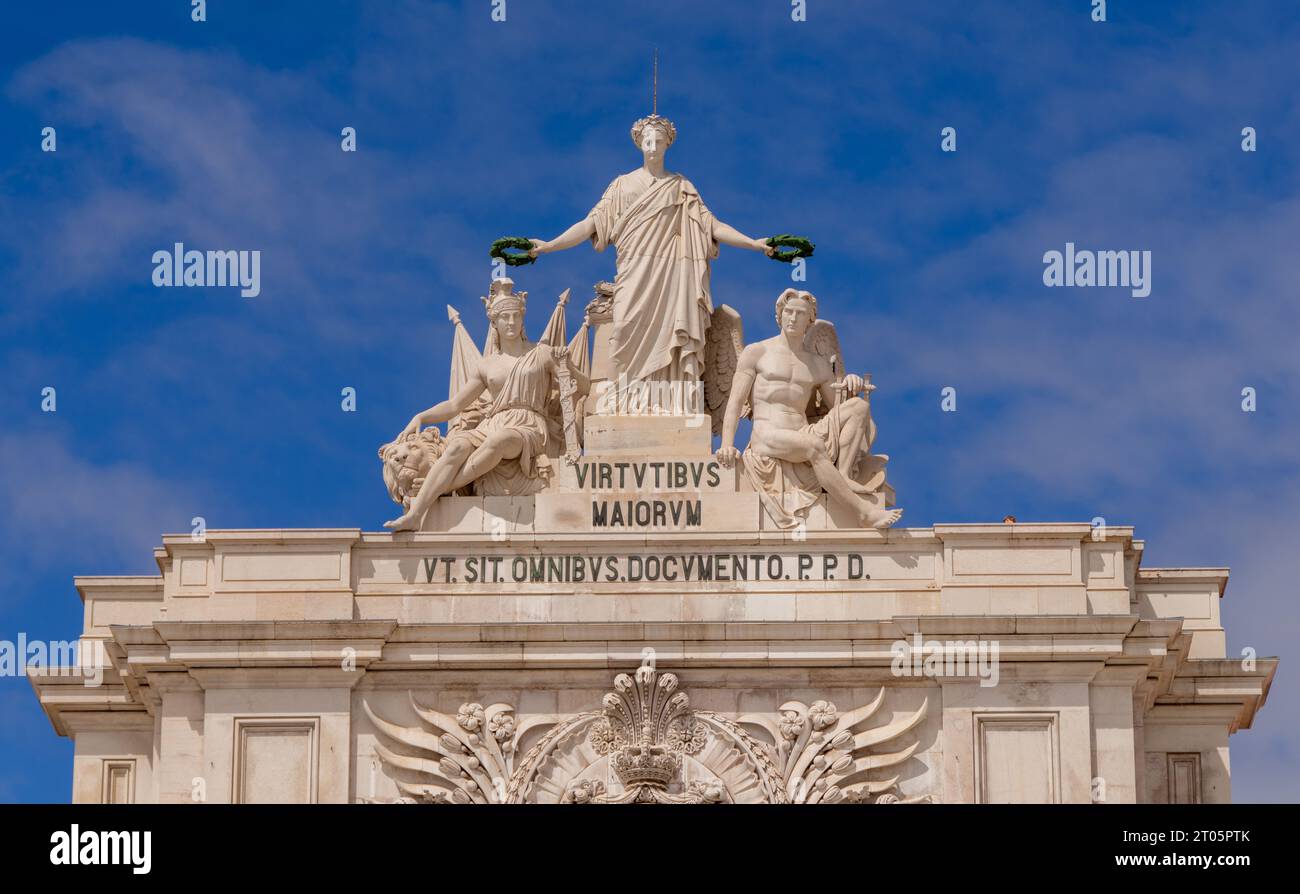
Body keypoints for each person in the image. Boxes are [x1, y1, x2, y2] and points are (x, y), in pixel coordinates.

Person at [527, 114, 772, 413]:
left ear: (668, 144)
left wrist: (754, 244)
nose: (652, 147)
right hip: (633, 273)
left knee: (673, 334)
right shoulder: (622, 186)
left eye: (658, 141)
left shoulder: (681, 187)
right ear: (639, 144)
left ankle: (673, 405)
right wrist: (550, 245)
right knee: (623, 331)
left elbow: (713, 226)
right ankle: (625, 404)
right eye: (647, 141)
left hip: (673, 275)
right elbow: (590, 224)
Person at [384, 286, 589, 532]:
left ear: (523, 318)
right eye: (505, 317)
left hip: (528, 425)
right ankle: (416, 514)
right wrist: (422, 417)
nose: (511, 322)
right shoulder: (486, 365)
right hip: (493, 422)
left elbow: (584, 386)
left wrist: (567, 364)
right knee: (458, 445)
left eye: (516, 316)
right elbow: (456, 405)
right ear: (494, 322)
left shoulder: (542, 353)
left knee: (500, 440)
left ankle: (442, 486)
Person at [716, 289, 903, 530]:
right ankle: (863, 512)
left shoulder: (817, 364)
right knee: (813, 446)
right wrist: (726, 445)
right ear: (779, 315)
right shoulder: (757, 352)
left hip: (803, 432)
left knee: (858, 407)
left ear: (810, 319)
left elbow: (838, 409)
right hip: (768, 435)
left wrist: (850, 385)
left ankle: (843, 474)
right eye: (788, 312)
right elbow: (734, 402)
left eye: (800, 313)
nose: (793, 318)